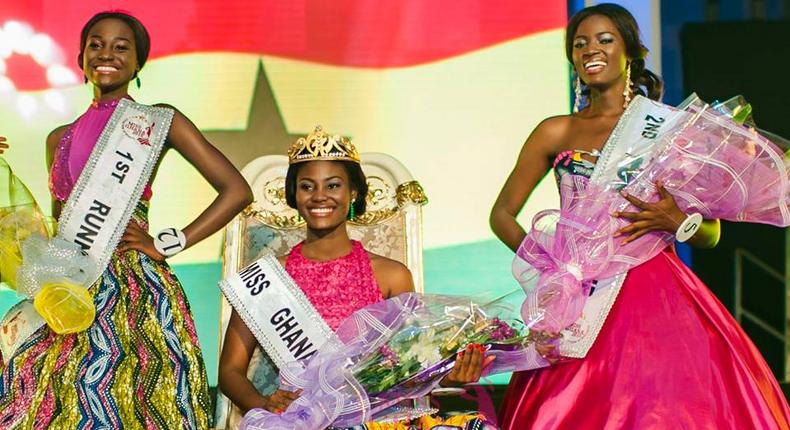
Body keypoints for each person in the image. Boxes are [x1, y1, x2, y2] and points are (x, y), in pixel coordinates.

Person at [490, 4, 790, 429]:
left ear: (630, 50)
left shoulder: (667, 129)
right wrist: (552, 267)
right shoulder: (554, 131)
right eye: (580, 43)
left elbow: (711, 235)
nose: (591, 50)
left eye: (604, 39)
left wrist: (677, 221)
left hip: (656, 288)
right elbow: (502, 213)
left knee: (664, 404)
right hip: (580, 294)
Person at [0, 11, 253, 429]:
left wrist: (168, 243)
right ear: (81, 58)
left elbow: (237, 190)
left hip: (134, 287)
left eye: (122, 47)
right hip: (71, 288)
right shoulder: (57, 138)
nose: (107, 54)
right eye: (96, 45)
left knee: (134, 404)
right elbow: (60, 225)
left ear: (138, 63)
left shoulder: (157, 120)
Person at [219, 127, 492, 420]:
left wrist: (451, 375)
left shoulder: (391, 276)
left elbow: (412, 365)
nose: (319, 196)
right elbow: (230, 371)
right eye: (307, 186)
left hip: (374, 420)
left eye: (333, 186)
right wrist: (264, 403)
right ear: (294, 195)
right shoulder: (266, 280)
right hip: (300, 421)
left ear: (353, 193)